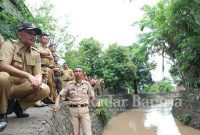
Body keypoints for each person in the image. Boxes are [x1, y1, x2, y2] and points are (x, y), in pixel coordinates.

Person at [0, 22, 50, 131]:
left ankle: (18, 108)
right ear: (20, 34)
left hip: (21, 86)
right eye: (29, 32)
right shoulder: (9, 45)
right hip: (6, 85)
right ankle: (2, 114)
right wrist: (28, 75)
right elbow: (2, 66)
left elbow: (38, 73)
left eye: (35, 34)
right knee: (2, 76)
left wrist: (37, 82)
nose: (33, 36)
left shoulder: (35, 53)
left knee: (45, 89)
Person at [53, 67, 95, 135]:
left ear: (83, 74)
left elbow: (92, 96)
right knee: (75, 133)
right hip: (73, 110)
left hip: (84, 110)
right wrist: (56, 104)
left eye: (79, 71)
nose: (77, 72)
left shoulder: (87, 84)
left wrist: (89, 103)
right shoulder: (69, 84)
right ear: (73, 73)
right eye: (76, 71)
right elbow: (60, 95)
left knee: (87, 133)